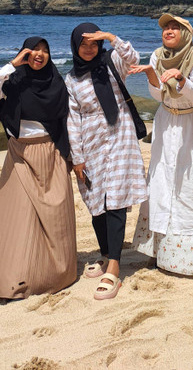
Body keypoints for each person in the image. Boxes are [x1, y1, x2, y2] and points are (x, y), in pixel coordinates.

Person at [0, 36, 76, 300]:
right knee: (19, 216)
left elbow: (70, 122)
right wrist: (12, 64)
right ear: (24, 53)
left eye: (45, 51)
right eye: (34, 51)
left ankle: (56, 274)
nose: (40, 55)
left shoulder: (57, 83)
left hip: (51, 152)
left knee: (54, 218)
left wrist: (74, 156)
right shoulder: (13, 82)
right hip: (19, 153)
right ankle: (14, 277)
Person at [131, 14, 193, 275]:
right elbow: (157, 94)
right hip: (165, 123)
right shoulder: (157, 55)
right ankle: (161, 250)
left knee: (192, 181)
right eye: (165, 27)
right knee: (162, 180)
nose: (168, 31)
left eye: (175, 27)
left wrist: (181, 80)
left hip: (191, 123)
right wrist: (153, 74)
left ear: (186, 33)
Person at [66, 23, 147, 300]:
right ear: (75, 46)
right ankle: (104, 254)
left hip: (121, 138)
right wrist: (76, 157)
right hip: (91, 144)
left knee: (116, 199)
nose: (89, 49)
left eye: (93, 43)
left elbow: (133, 59)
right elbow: (72, 120)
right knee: (96, 201)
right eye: (83, 44)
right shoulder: (72, 79)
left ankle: (114, 266)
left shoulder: (112, 61)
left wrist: (113, 38)